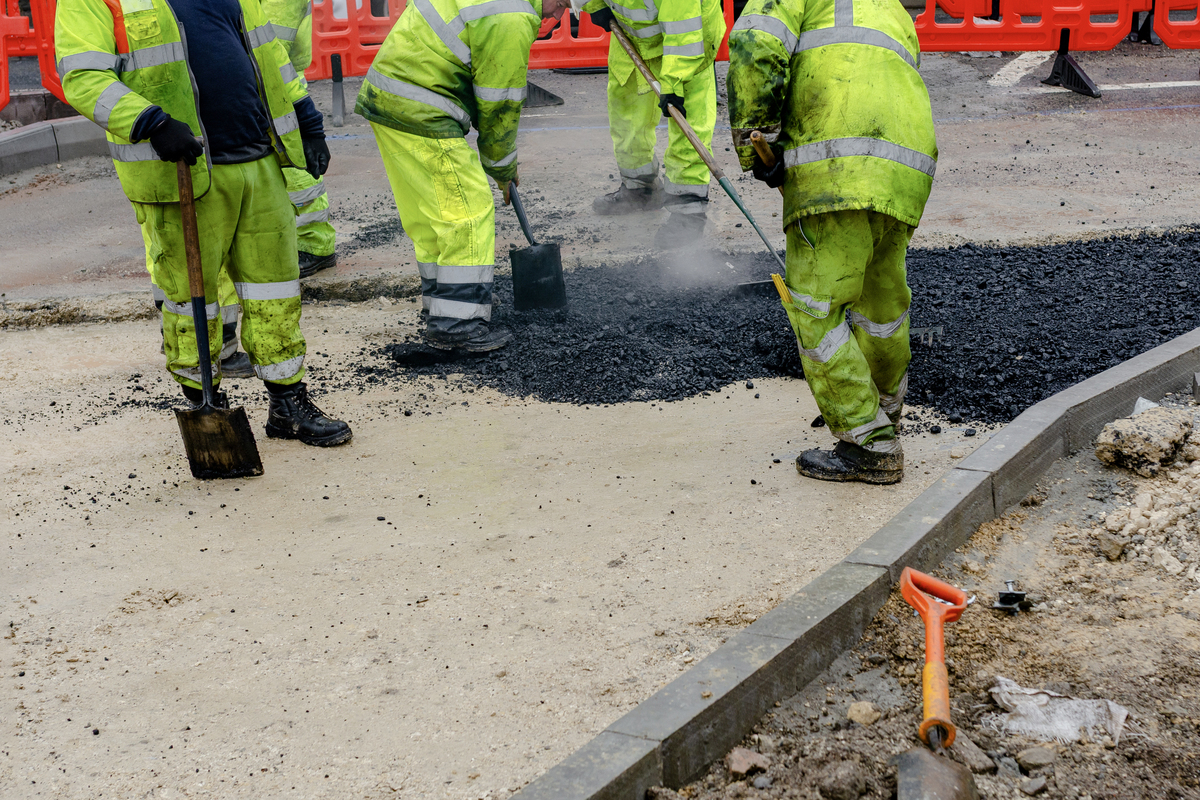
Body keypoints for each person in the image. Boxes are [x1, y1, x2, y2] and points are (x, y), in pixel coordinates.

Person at [57, 0, 352, 447]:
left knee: (275, 289)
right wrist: (149, 122)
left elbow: (269, 59)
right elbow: (83, 77)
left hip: (260, 161)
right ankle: (203, 403)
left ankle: (289, 403)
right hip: (181, 170)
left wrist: (307, 119)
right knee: (188, 299)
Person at [727, 0, 937, 484]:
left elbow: (754, 43)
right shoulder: (890, 8)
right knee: (880, 304)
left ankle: (870, 445)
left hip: (835, 163)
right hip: (905, 164)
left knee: (815, 309)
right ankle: (884, 415)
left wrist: (756, 144)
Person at [355, 0, 571, 352]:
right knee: (467, 212)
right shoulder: (511, 16)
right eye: (561, 3)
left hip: (393, 96)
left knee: (432, 215)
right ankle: (457, 325)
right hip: (421, 105)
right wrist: (501, 165)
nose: (557, 17)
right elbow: (498, 102)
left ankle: (447, 303)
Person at [583, 0, 726, 248]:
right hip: (632, 32)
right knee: (626, 109)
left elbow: (683, 32)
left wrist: (673, 83)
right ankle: (640, 188)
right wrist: (595, 5)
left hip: (689, 42)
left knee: (687, 121)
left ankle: (688, 210)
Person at [262, 0, 338, 278]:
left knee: (296, 156)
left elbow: (266, 44)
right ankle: (305, 240)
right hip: (273, 70)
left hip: (275, 74)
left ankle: (313, 244)